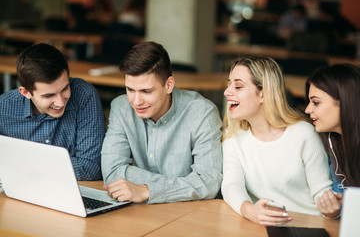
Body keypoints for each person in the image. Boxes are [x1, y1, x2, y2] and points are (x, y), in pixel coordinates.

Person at [101, 41, 222, 204]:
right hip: (143, 210)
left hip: (188, 213)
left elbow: (208, 182)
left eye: (146, 91)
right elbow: (112, 173)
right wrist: (181, 185)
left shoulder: (202, 113)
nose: (136, 101)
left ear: (169, 85)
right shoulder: (121, 107)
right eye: (130, 90)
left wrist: (147, 190)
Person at [221, 56, 332, 226]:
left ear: (263, 94)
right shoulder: (233, 136)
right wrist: (248, 210)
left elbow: (322, 193)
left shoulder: (303, 134)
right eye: (229, 84)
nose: (227, 92)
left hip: (307, 225)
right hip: (263, 225)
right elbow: (231, 183)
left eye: (238, 86)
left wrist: (332, 208)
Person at [0, 43, 105, 180]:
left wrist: (23, 162)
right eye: (49, 96)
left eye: (65, 89)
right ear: (25, 92)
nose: (60, 102)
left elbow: (90, 168)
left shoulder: (84, 95)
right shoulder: (3, 107)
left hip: (74, 192)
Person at [305, 63, 360, 219]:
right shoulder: (331, 141)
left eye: (316, 102)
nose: (307, 109)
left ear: (344, 102)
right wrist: (337, 209)